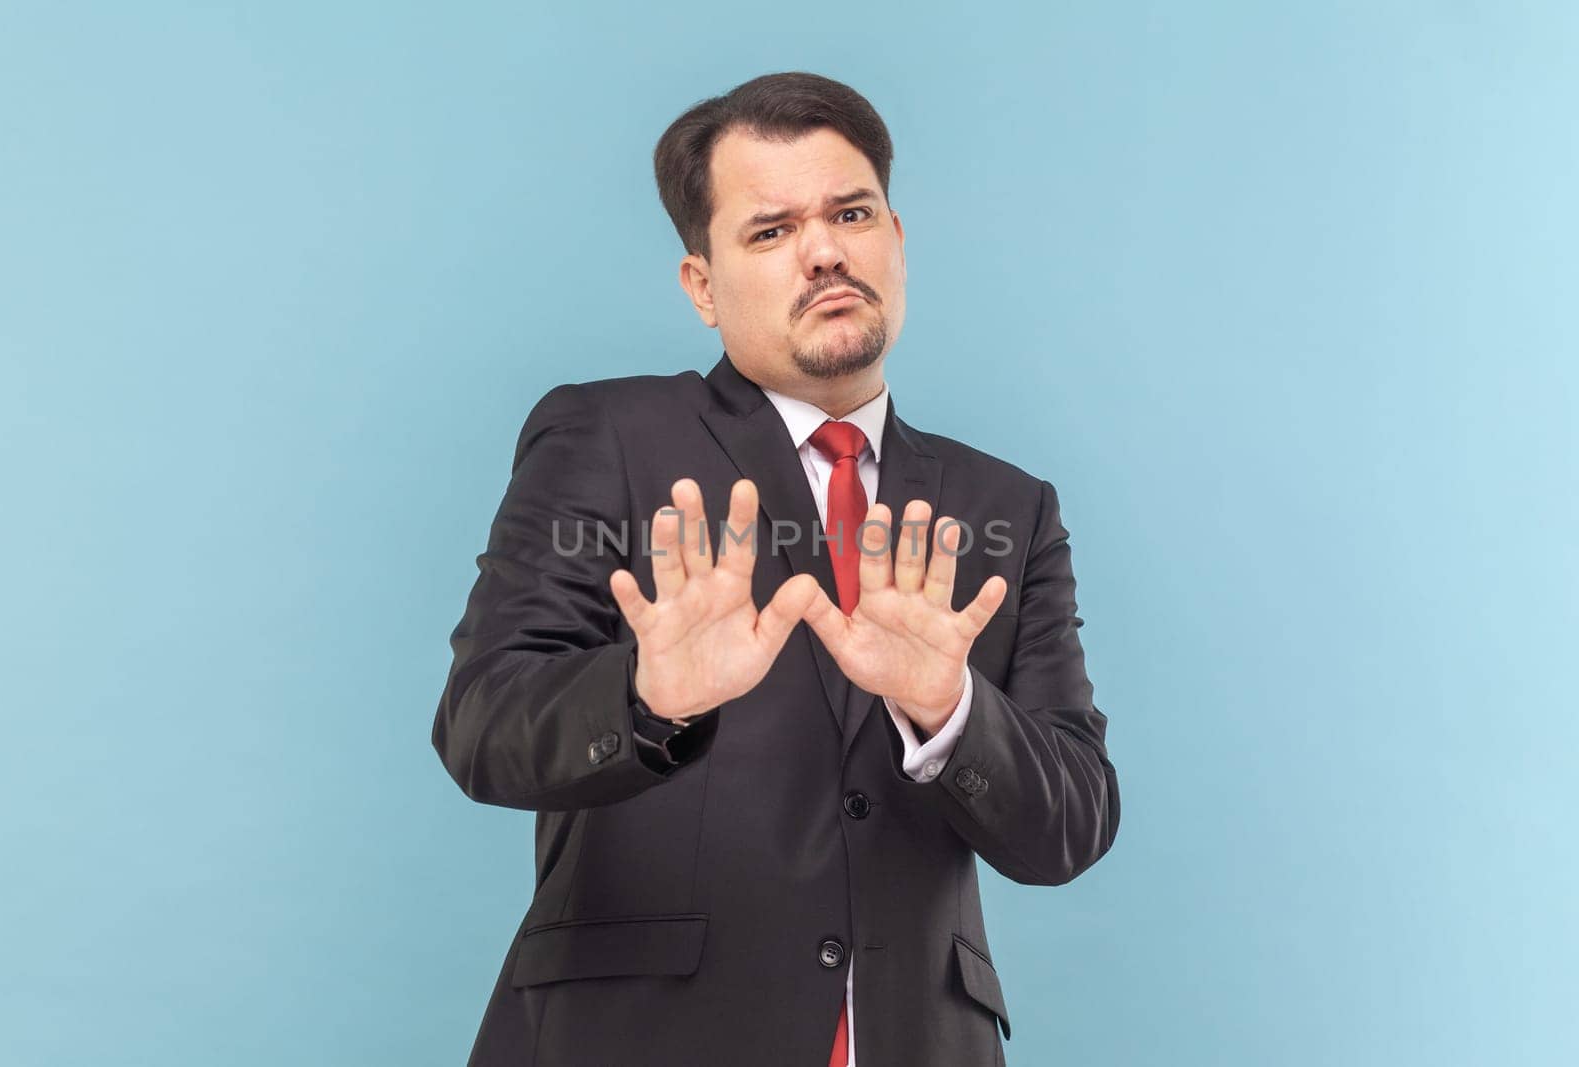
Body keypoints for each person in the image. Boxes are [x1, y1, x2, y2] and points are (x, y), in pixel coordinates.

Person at [431, 70, 1120, 1067]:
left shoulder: (1008, 507)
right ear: (701, 286)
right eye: (770, 230)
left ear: (897, 236)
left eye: (851, 212)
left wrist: (950, 706)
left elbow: (1070, 822)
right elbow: (482, 721)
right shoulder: (608, 434)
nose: (826, 250)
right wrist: (647, 694)